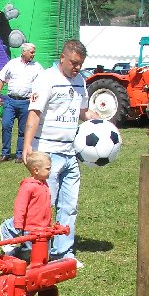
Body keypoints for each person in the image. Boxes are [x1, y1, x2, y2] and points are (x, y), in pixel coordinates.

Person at [23, 39, 100, 267]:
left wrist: (104, 126)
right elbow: (34, 113)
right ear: (63, 58)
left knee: (69, 206)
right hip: (48, 152)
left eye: (80, 64)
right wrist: (27, 145)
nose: (77, 67)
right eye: (74, 63)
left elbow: (83, 112)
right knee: (44, 206)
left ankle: (63, 253)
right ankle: (30, 247)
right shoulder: (46, 79)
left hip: (70, 153)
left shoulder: (81, 81)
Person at [0, 42, 43, 163]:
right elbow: (1, 78)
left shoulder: (37, 67)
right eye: (31, 52)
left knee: (23, 130)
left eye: (34, 52)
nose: (33, 55)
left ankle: (20, 154)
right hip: (10, 101)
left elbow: (43, 83)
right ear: (24, 52)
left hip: (26, 102)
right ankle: (5, 153)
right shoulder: (12, 64)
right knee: (6, 125)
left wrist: (36, 95)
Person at [0, 151, 52, 256]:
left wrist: (49, 223)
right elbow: (20, 206)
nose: (50, 171)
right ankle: (13, 252)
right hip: (30, 227)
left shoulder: (44, 184)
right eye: (48, 169)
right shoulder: (28, 186)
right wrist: (18, 223)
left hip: (44, 227)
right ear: (36, 170)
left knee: (45, 252)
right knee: (30, 251)